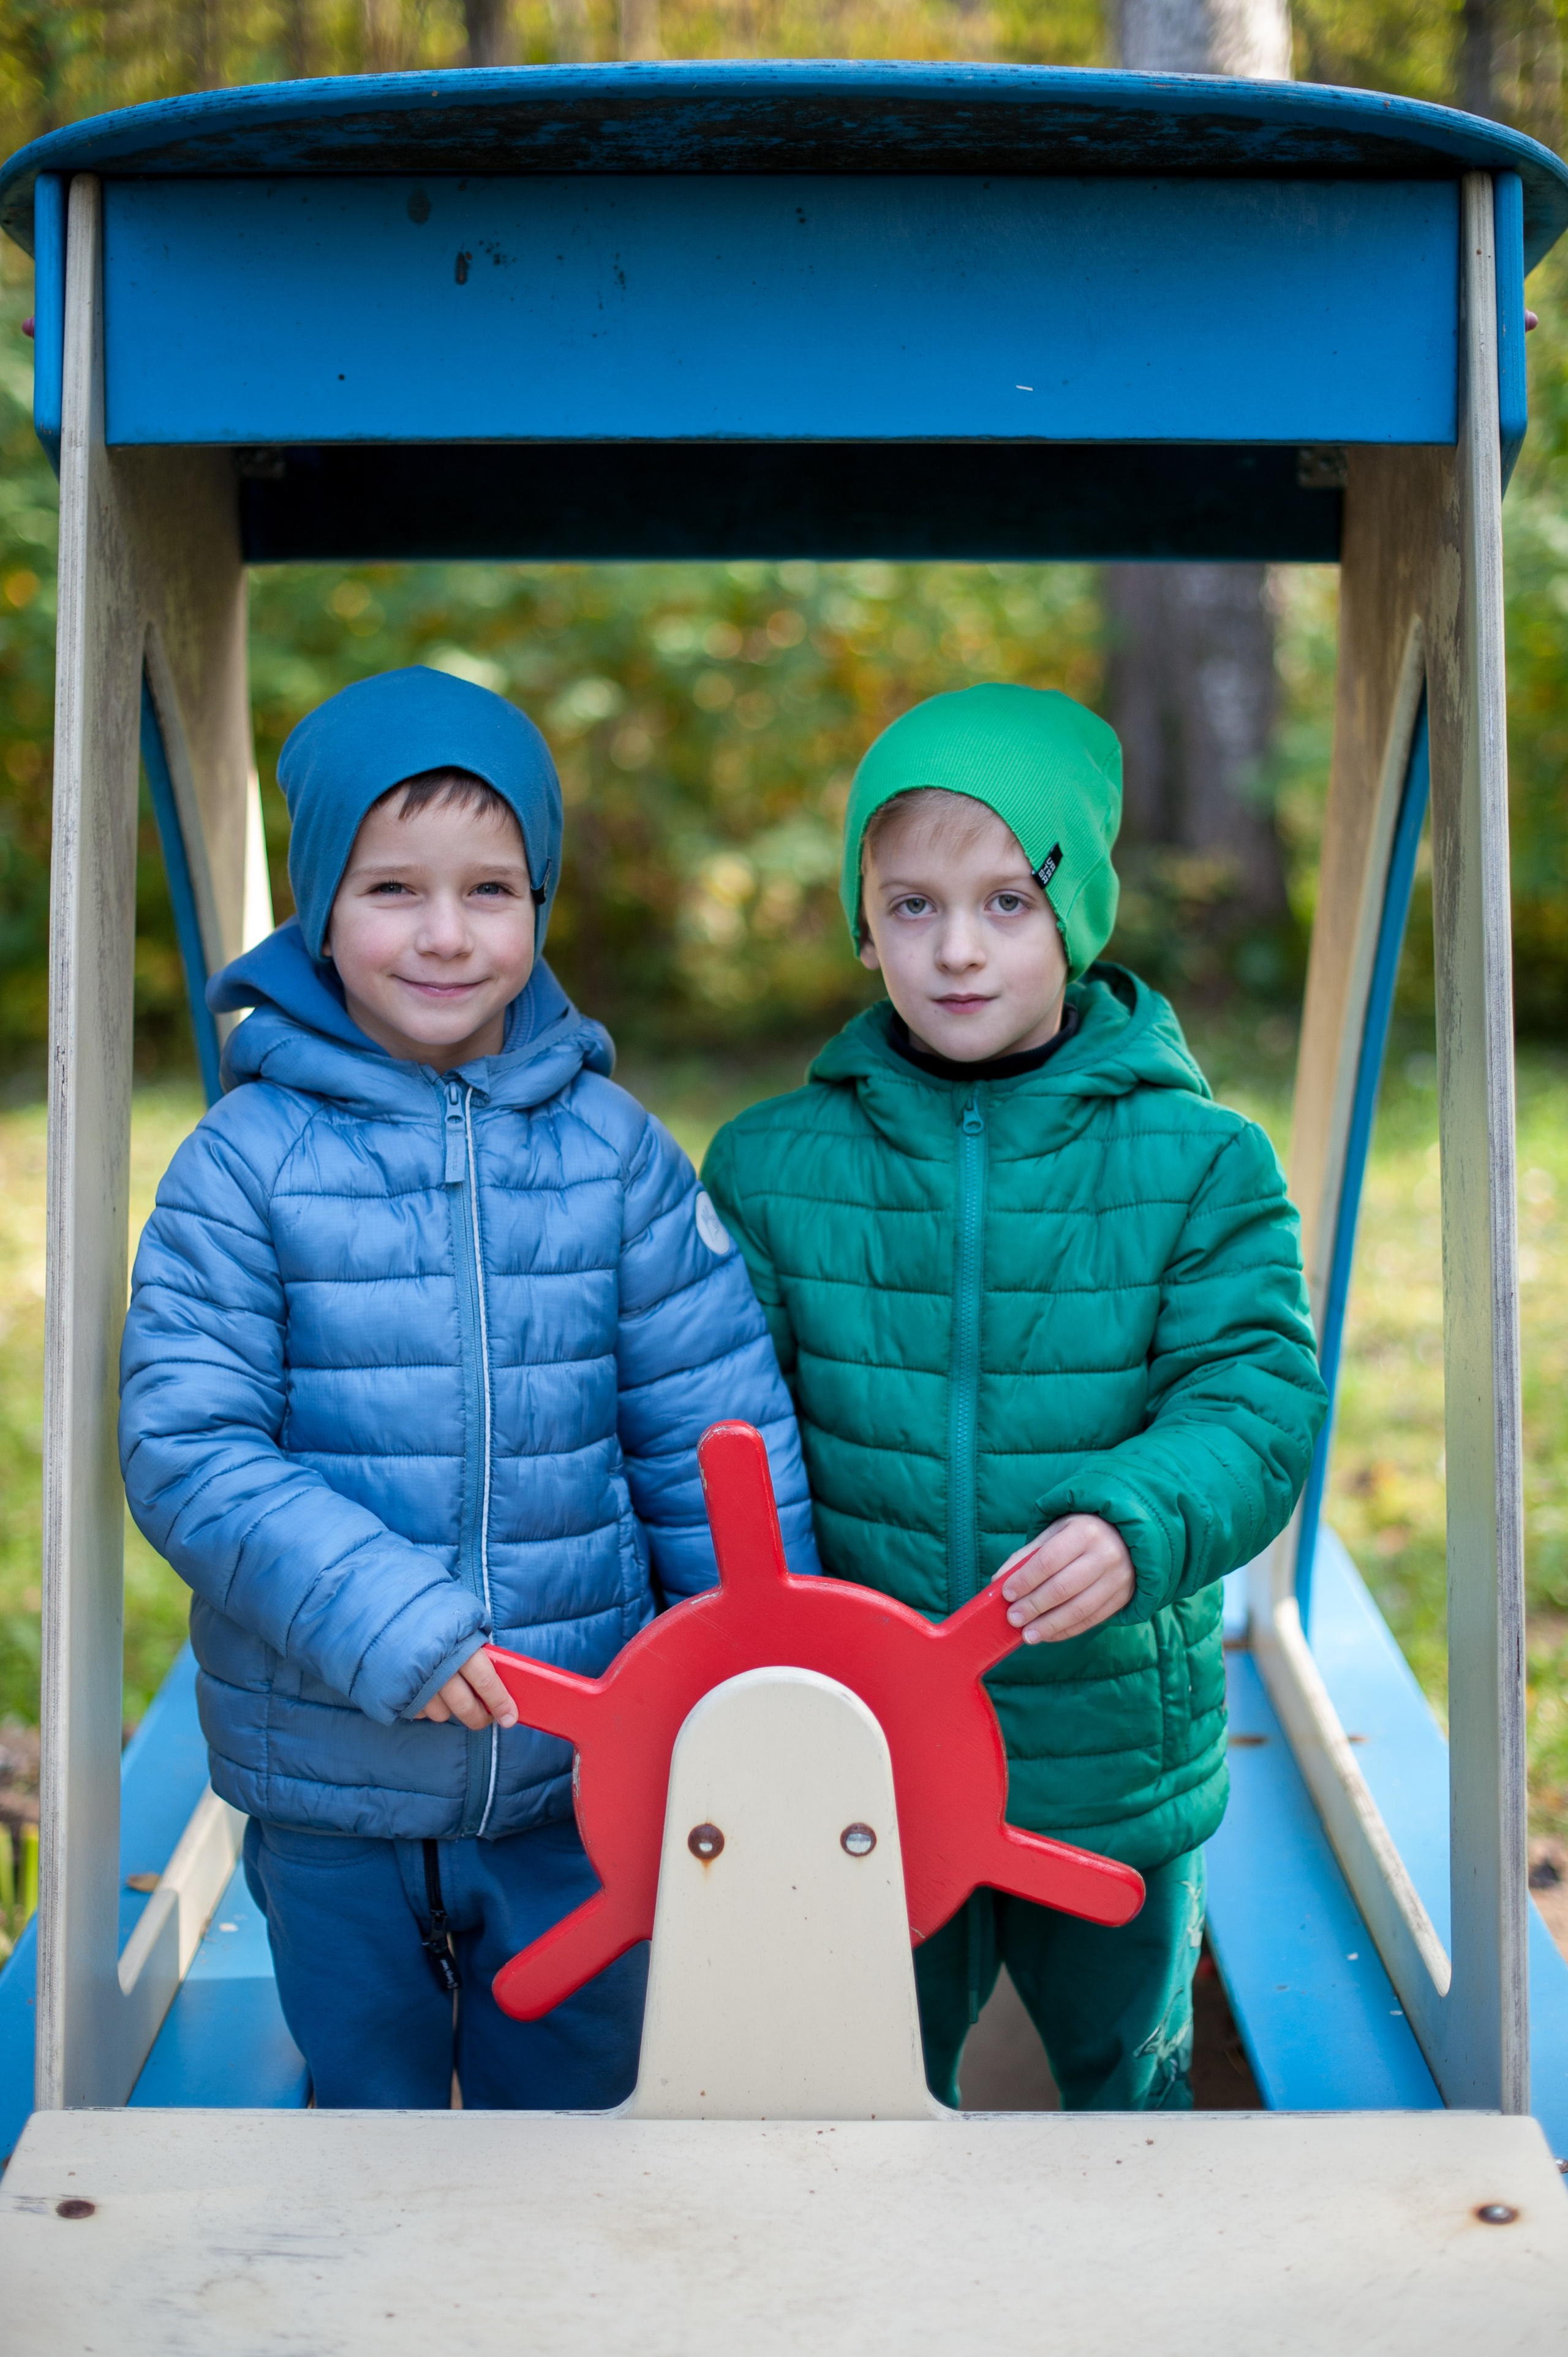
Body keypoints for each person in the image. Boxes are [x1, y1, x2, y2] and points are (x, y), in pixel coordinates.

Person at [119, 665, 819, 2112]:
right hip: (333, 1779)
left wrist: (752, 1688)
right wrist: (393, 1621)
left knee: (572, 2113)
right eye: (392, 889)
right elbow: (191, 1445)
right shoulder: (244, 1165)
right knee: (368, 2112)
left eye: (490, 889)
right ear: (317, 903)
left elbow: (712, 1438)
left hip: (578, 1781)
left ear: (540, 902)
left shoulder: (616, 1153)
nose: (444, 935)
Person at [701, 683, 1326, 2111]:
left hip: (1103, 1748)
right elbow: (721, 1429)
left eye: (1005, 901)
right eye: (909, 905)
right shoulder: (770, 1163)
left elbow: (1255, 1399)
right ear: (861, 920)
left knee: (1122, 2085)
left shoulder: (1199, 1162)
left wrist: (1135, 1519)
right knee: (860, 2088)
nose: (958, 948)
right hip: (866, 1750)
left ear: (1077, 914)